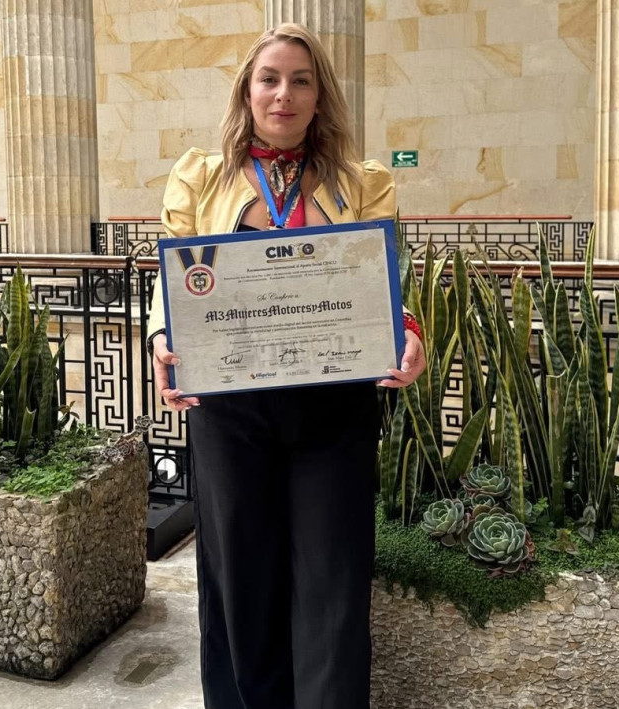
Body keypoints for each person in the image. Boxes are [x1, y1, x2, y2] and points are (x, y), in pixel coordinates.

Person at [146, 23, 425, 709]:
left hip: (332, 407)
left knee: (332, 580)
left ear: (320, 96)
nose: (284, 93)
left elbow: (385, 279)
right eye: (270, 77)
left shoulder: (364, 183)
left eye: (301, 80)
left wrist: (408, 331)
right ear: (247, 88)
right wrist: (159, 334)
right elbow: (173, 278)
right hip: (229, 408)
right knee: (239, 577)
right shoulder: (199, 176)